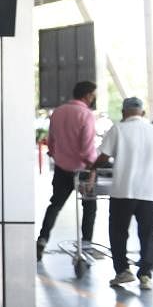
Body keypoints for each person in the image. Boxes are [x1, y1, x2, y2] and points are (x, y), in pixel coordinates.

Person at [94, 97, 153, 290]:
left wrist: (90, 168)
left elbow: (103, 156)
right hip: (149, 192)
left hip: (123, 191)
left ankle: (122, 271)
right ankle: (145, 275)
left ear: (123, 112)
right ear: (142, 112)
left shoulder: (118, 128)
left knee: (118, 232)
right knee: (148, 234)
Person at [36, 81, 99, 261]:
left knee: (55, 205)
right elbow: (86, 147)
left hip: (62, 168)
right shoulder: (86, 115)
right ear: (87, 95)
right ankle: (86, 244)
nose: (94, 98)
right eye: (93, 95)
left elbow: (52, 142)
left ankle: (42, 239)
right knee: (89, 207)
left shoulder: (58, 112)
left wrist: (59, 158)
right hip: (83, 169)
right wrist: (92, 168)